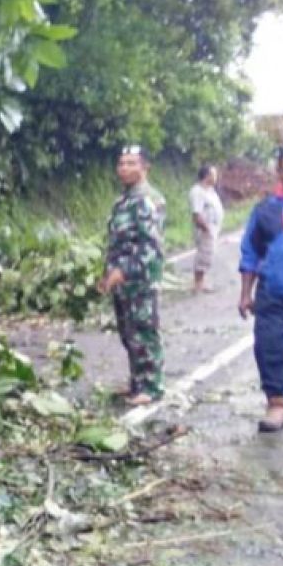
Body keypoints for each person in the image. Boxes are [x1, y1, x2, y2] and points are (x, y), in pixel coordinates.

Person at [96, 145, 166, 406]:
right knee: (129, 333)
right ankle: (137, 383)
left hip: (141, 281)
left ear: (145, 167)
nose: (124, 168)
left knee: (144, 332)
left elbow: (152, 247)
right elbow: (117, 243)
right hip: (122, 282)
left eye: (131, 163)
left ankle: (152, 386)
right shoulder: (123, 202)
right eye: (121, 163)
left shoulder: (148, 200)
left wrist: (123, 272)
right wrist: (107, 274)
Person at [237, 144, 283, 431]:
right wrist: (246, 293)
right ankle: (278, 402)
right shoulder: (265, 210)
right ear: (279, 173)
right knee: (270, 347)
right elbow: (250, 252)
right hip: (274, 294)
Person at [189, 164, 224, 293]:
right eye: (213, 174)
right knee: (203, 255)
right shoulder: (197, 192)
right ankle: (198, 283)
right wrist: (206, 228)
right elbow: (197, 214)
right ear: (207, 176)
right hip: (205, 228)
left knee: (208, 255)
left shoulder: (210, 190)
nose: (216, 177)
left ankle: (201, 281)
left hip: (212, 227)